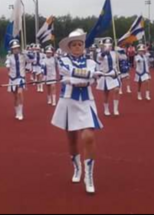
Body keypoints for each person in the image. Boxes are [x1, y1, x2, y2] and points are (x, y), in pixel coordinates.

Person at [52, 29, 103, 195]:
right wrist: (87, 77)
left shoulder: (92, 62)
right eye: (74, 44)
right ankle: (77, 168)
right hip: (68, 102)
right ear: (69, 47)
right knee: (72, 140)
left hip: (86, 101)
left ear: (83, 46)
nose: (77, 47)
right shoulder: (62, 60)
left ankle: (89, 176)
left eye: (80, 44)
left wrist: (76, 80)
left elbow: (89, 82)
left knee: (89, 136)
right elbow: (69, 72)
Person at [97, 38, 121, 117]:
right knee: (106, 93)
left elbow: (119, 60)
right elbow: (100, 58)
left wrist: (120, 51)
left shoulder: (114, 53)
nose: (109, 47)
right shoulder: (100, 54)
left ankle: (115, 109)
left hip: (113, 74)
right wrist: (104, 52)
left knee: (116, 89)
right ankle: (106, 109)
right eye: (106, 45)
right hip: (105, 74)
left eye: (110, 45)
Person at [5, 39, 27, 121]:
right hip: (13, 78)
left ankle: (21, 113)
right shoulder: (9, 57)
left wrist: (26, 53)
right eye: (14, 48)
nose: (16, 49)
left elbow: (32, 59)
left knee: (20, 93)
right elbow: (7, 65)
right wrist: (8, 69)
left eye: (17, 48)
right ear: (11, 49)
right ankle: (17, 112)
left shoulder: (23, 56)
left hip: (21, 77)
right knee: (15, 97)